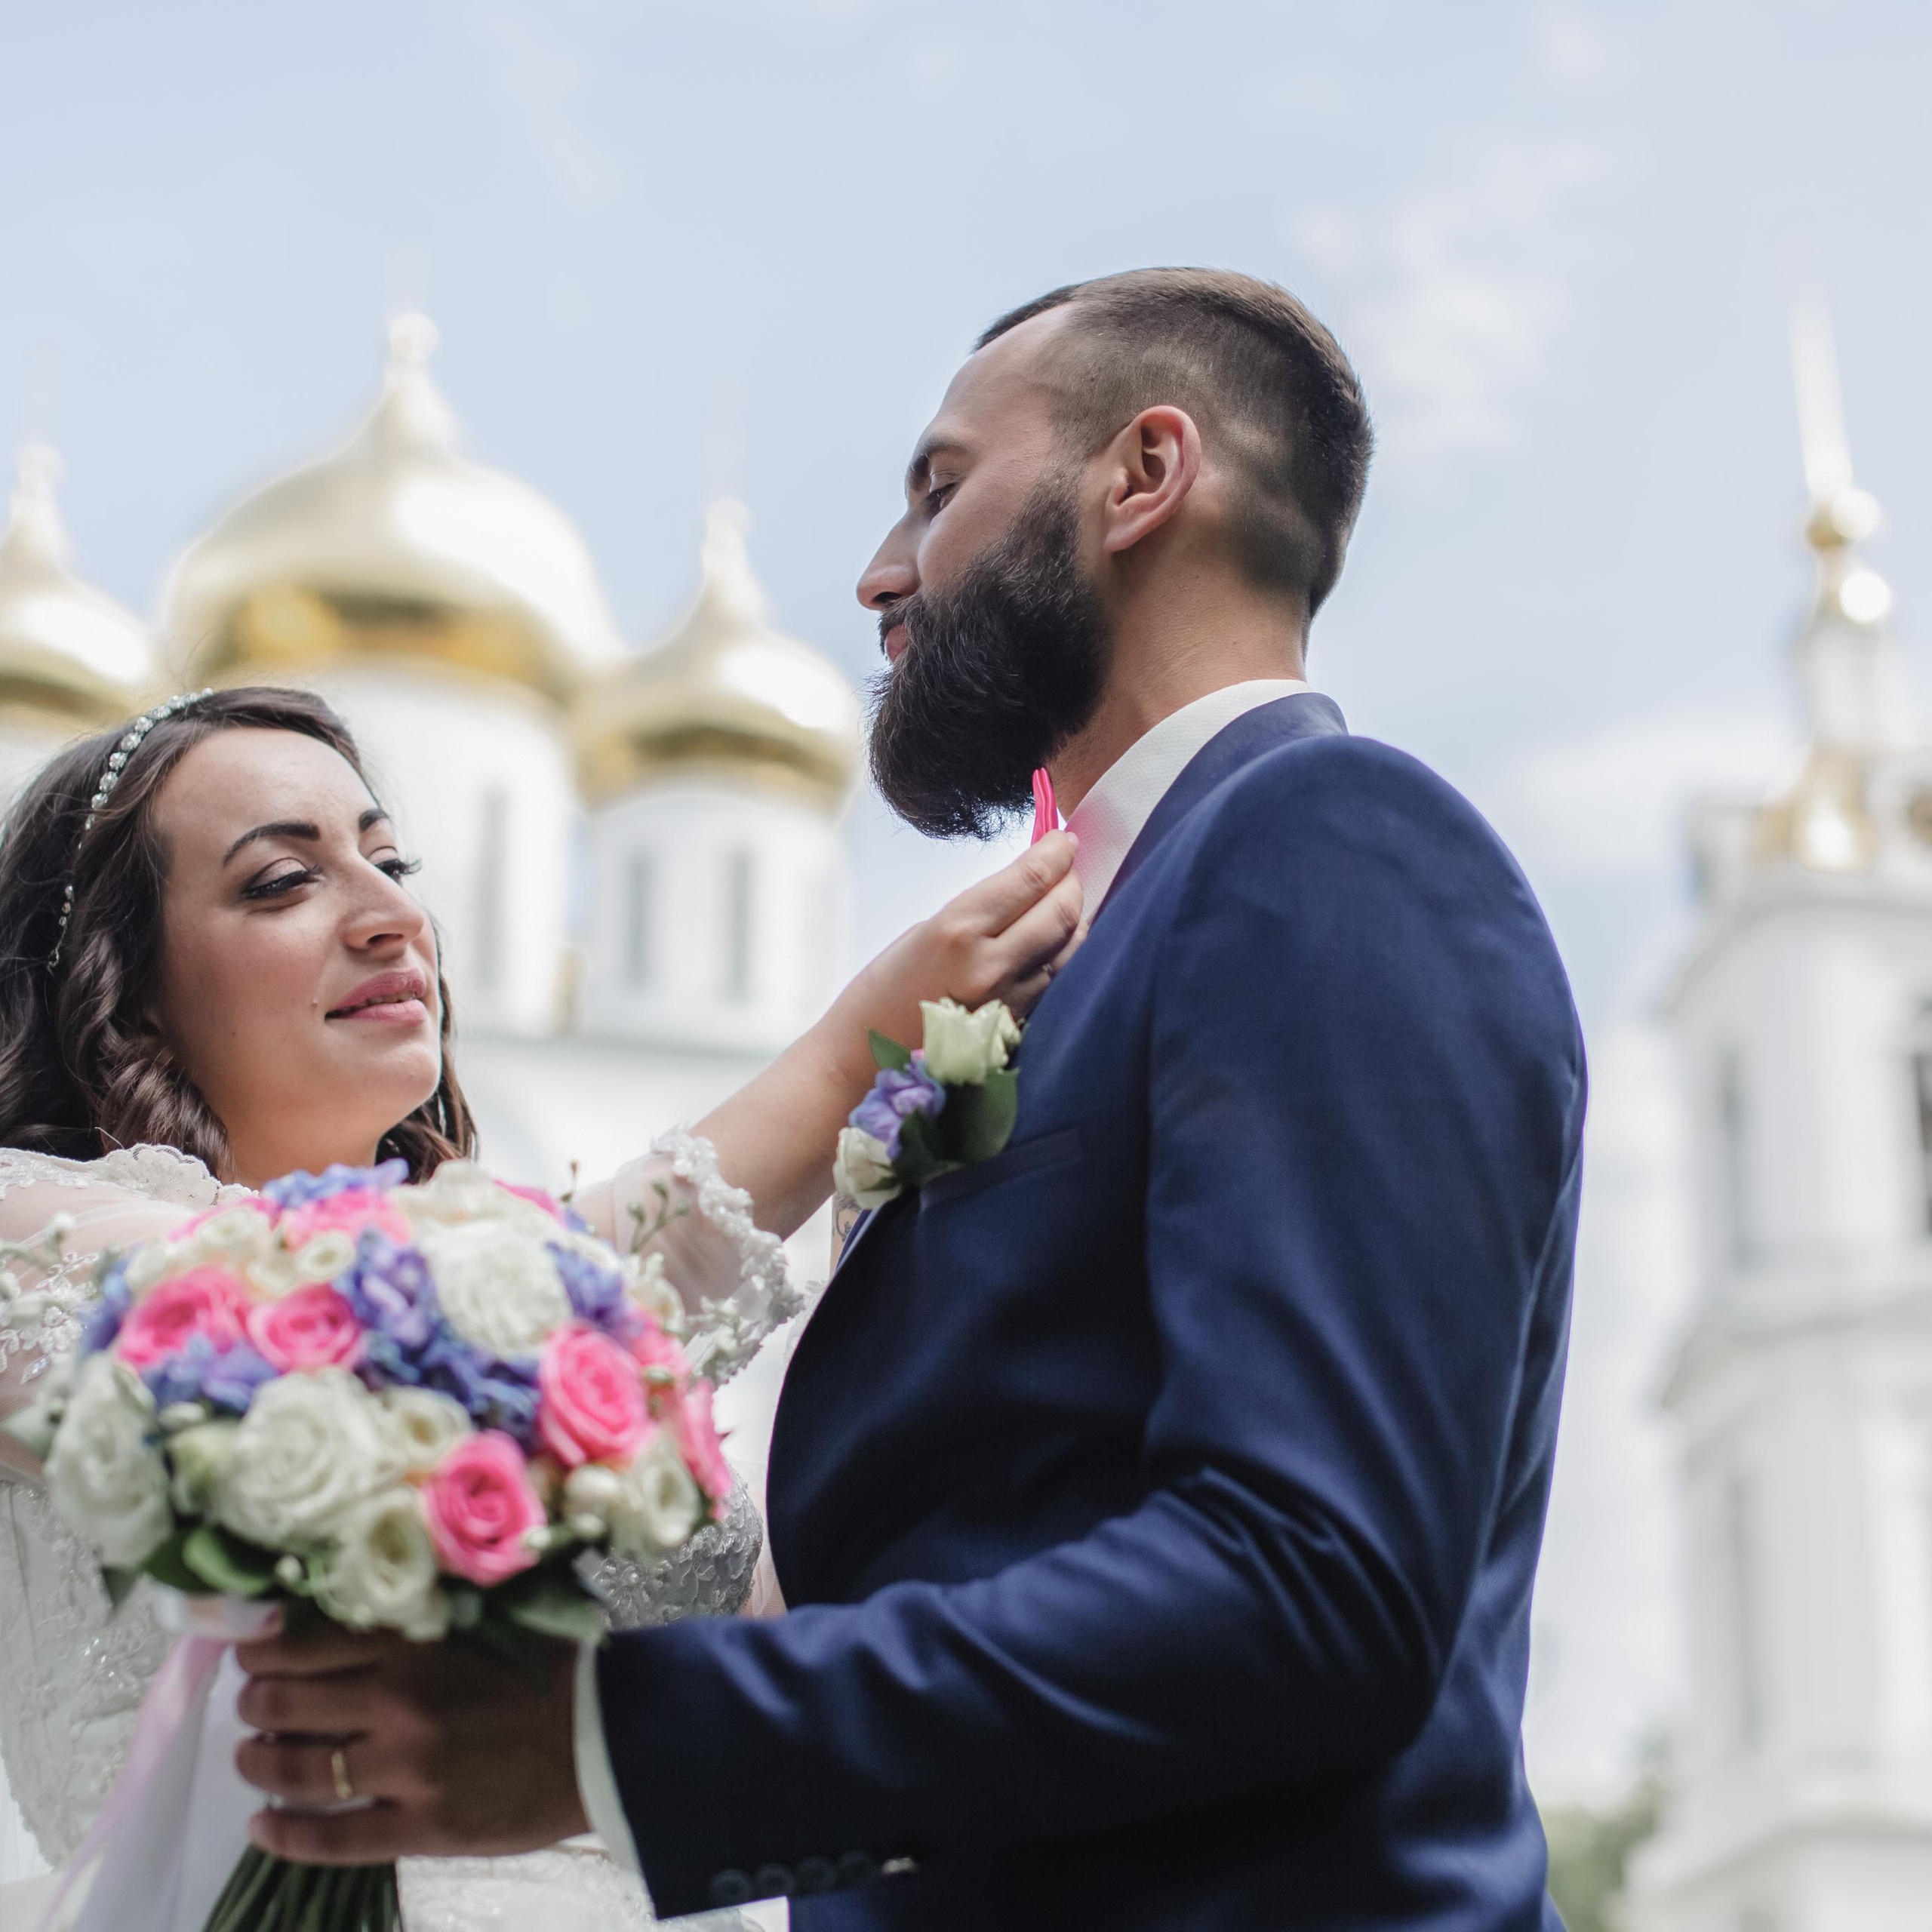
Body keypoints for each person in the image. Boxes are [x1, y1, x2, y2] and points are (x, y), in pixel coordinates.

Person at [240, 267, 1586, 1930]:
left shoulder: (1327, 839)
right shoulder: (1054, 957)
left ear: (1140, 475)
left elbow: (1310, 1583)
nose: (882, 575)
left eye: (940, 490)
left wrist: (601, 1745)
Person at [0, 682, 1082, 1932]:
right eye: (283, 882)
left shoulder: (531, 1257)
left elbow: (771, 1665)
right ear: (121, 987)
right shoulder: (32, 1228)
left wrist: (916, 1244)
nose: (392, 915)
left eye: (392, 861)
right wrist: (855, 1054)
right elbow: (443, 1331)